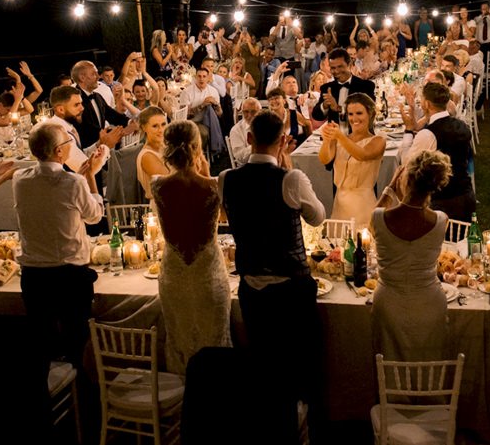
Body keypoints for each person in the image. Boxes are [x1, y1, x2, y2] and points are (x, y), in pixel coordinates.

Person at [218, 111, 325, 430]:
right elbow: (318, 217)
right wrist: (287, 167)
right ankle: (302, 425)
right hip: (291, 290)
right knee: (300, 363)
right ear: (282, 141)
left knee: (263, 362)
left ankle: (268, 425)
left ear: (248, 139)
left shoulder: (226, 178)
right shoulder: (290, 179)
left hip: (251, 289)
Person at [14, 123, 106, 405]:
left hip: (33, 277)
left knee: (42, 340)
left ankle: (45, 400)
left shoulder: (20, 179)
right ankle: (86, 399)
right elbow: (95, 216)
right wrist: (90, 175)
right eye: (68, 141)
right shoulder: (73, 182)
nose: (71, 144)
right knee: (78, 339)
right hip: (68, 276)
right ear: (58, 151)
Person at [151, 121, 231, 374]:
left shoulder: (157, 185)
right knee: (214, 346)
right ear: (198, 149)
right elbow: (225, 219)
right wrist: (206, 173)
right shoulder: (214, 185)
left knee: (179, 341)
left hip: (174, 277)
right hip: (208, 276)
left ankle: (182, 404)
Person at [371, 150, 452, 361]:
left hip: (388, 304)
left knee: (388, 367)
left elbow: (371, 225)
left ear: (406, 179)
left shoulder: (379, 218)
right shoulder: (441, 220)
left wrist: (390, 188)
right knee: (428, 365)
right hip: (430, 303)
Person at [400, 82, 476, 222]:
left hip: (441, 203)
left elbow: (408, 163)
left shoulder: (428, 134)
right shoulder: (462, 126)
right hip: (466, 195)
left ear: (427, 104)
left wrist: (409, 131)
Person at [319, 93, 385, 228]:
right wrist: (327, 140)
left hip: (363, 204)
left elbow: (362, 155)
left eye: (359, 113)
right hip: (340, 204)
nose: (354, 118)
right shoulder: (341, 139)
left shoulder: (378, 141)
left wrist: (340, 137)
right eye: (350, 114)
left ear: (370, 114)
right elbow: (325, 159)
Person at [311, 47, 376, 125]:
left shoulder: (365, 86)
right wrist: (325, 105)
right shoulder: (327, 88)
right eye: (333, 68)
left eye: (340, 66)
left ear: (349, 65)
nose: (336, 71)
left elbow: (370, 113)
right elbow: (317, 116)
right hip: (335, 135)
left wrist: (338, 108)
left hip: (358, 135)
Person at [135, 106, 170, 200]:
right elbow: (171, 183)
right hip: (163, 207)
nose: (161, 130)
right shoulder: (147, 156)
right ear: (144, 128)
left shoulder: (166, 147)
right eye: (155, 126)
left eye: (163, 124)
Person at [228, 98, 261, 166]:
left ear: (260, 112)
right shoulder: (236, 130)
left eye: (253, 112)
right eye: (246, 112)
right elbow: (240, 158)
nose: (249, 115)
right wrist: (257, 145)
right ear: (242, 112)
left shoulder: (268, 124)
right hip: (247, 168)